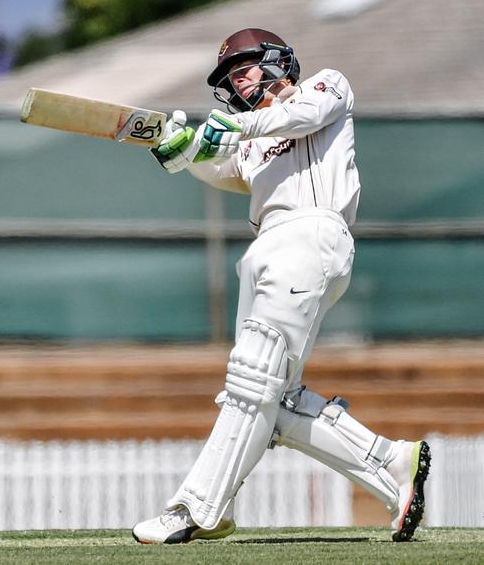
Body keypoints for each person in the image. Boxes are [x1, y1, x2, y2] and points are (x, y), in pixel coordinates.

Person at [132, 27, 431, 545]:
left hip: (311, 234)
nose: (241, 84)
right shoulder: (254, 140)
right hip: (265, 247)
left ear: (278, 62)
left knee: (252, 381)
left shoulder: (326, 88)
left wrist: (235, 128)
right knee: (271, 401)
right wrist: (179, 150)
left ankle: (197, 509)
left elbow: (297, 118)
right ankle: (390, 464)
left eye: (246, 70)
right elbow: (226, 166)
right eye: (231, 80)